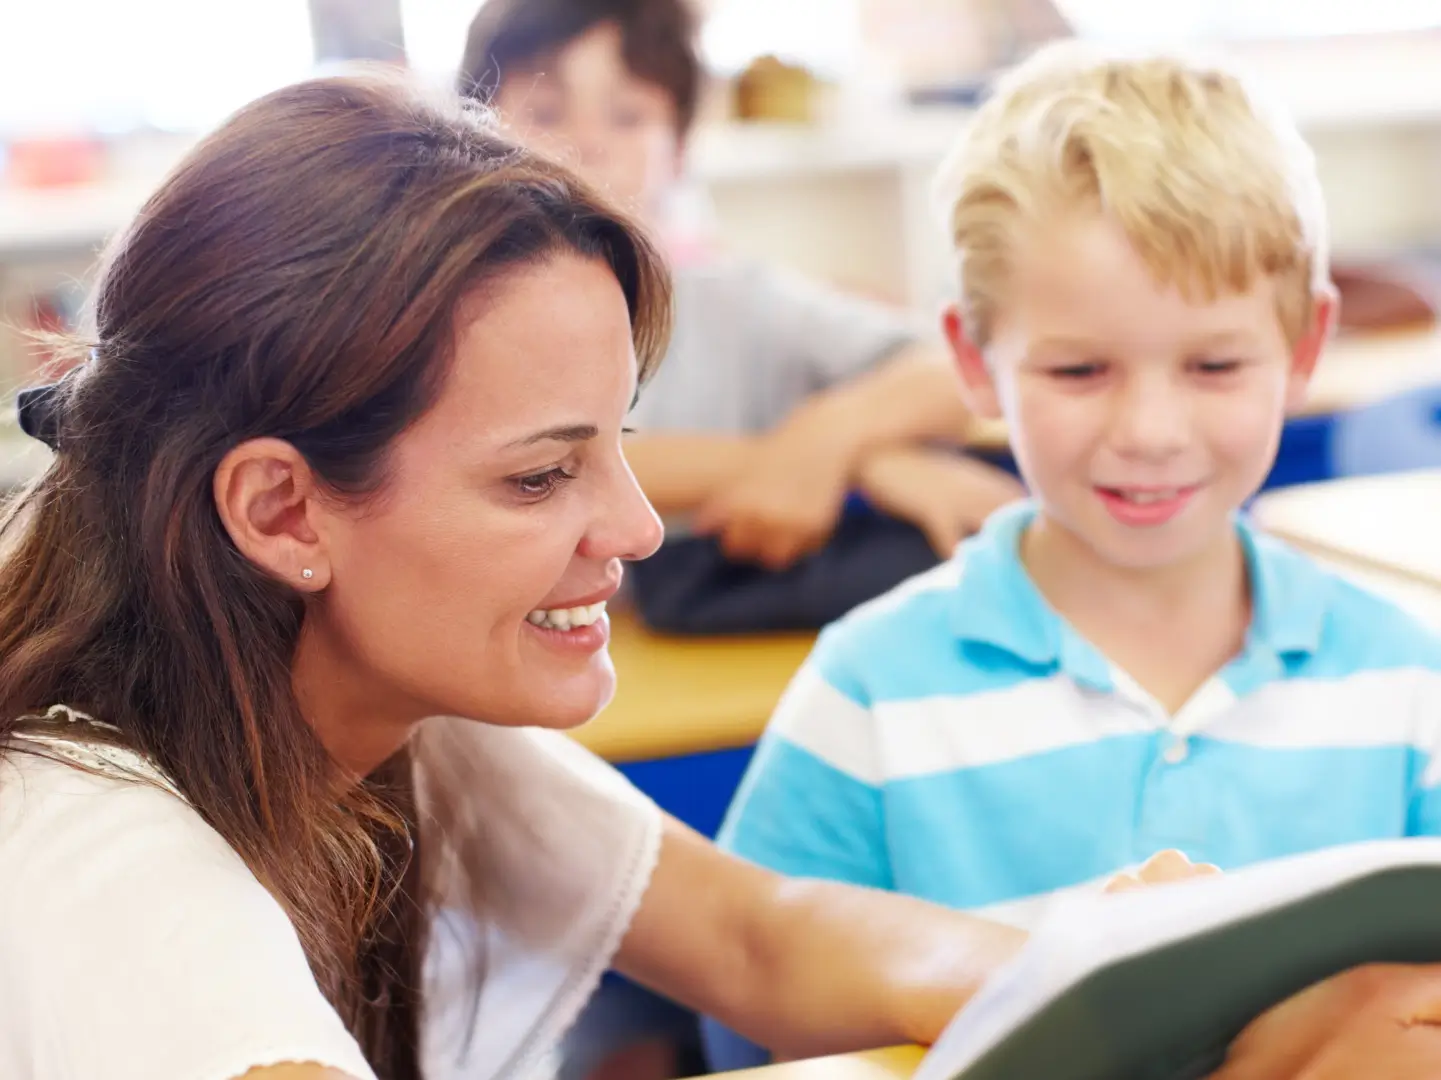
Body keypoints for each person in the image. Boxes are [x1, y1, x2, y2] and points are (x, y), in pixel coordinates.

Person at [0, 69, 1054, 1080]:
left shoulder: (398, 722)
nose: (640, 529)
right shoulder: (96, 850)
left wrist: (1096, 971)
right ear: (280, 510)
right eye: (542, 476)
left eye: (619, 445)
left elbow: (755, 939)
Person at [707, 40, 1441, 1069]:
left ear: (1305, 348)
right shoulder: (869, 686)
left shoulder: (1407, 679)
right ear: (972, 360)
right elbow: (751, 1020)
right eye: (1080, 368)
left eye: (1214, 363)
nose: (1148, 429)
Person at [459, 0, 1026, 635]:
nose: (587, 143)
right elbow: (546, 468)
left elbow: (951, 373)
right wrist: (857, 465)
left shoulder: (730, 298)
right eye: (545, 112)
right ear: (471, 137)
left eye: (628, 116)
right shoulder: (456, 317)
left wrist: (830, 434)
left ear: (679, 150)